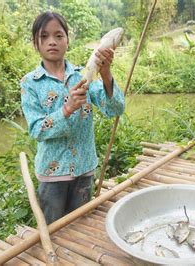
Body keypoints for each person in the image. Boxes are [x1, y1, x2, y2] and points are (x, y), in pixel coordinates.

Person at [20, 11, 125, 224]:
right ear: (35, 43)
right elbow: (37, 130)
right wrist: (66, 109)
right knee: (55, 230)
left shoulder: (83, 76)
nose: (52, 42)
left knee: (80, 227)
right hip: (52, 176)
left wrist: (105, 73)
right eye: (44, 36)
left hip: (84, 171)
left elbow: (115, 109)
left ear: (67, 40)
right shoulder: (30, 83)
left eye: (59, 36)